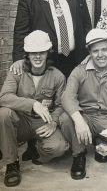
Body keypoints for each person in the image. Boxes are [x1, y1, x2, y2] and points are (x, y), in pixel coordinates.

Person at [59, 28, 107, 180]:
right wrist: (79, 120)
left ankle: (102, 144)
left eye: (104, 50)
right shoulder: (79, 71)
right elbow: (67, 96)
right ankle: (79, 154)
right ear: (90, 52)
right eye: (95, 51)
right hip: (85, 116)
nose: (100, 55)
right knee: (66, 119)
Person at [0, 30, 69, 187]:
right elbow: (3, 97)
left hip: (43, 123)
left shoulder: (58, 76)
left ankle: (36, 148)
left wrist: (54, 122)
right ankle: (12, 163)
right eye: (33, 53)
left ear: (47, 53)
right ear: (27, 54)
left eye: (41, 52)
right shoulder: (17, 71)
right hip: (21, 121)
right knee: (4, 113)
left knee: (59, 147)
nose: (37, 56)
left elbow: (60, 105)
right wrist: (32, 104)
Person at [11, 0, 92, 77]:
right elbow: (20, 32)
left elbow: (86, 25)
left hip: (77, 60)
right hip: (46, 62)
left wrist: (90, 51)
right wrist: (18, 58)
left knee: (75, 94)